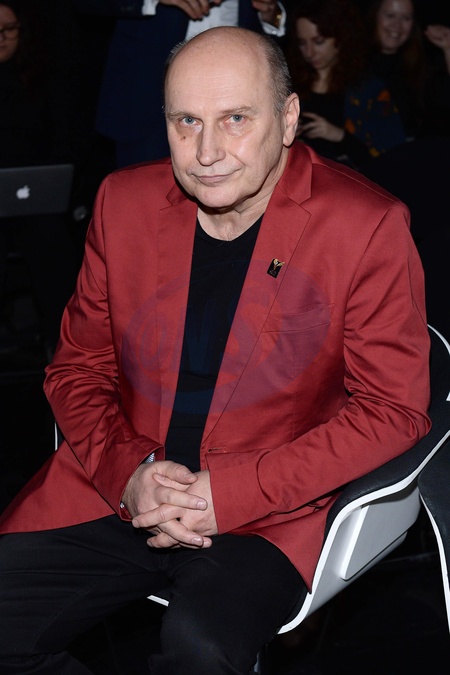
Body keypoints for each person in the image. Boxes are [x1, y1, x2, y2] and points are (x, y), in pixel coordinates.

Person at [0, 25, 431, 675]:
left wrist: (230, 492)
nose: (206, 152)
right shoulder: (123, 203)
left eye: (235, 119)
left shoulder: (365, 225)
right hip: (121, 486)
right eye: (186, 122)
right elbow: (77, 367)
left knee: (201, 649)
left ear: (288, 119)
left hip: (269, 508)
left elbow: (393, 410)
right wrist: (131, 472)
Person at [73, 0, 287, 167]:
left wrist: (270, 12)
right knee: (148, 197)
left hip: (236, 95)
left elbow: (272, 14)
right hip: (148, 99)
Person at [0, 0, 78, 355]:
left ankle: (62, 349)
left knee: (52, 241)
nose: (2, 38)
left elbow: (64, 144)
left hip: (33, 202)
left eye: (9, 29)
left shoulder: (43, 80)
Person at [284, 0, 406, 170]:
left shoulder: (368, 89)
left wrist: (338, 135)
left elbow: (392, 157)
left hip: (353, 178)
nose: (309, 52)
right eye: (302, 43)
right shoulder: (290, 82)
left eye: (319, 41)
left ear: (341, 38)